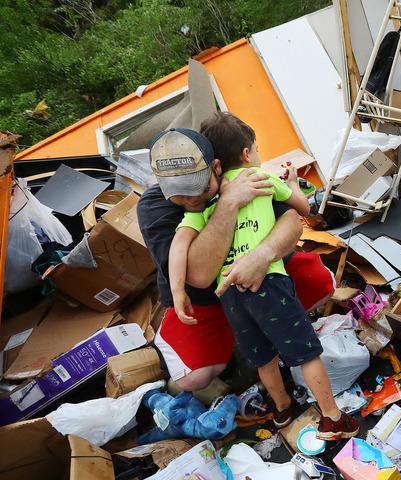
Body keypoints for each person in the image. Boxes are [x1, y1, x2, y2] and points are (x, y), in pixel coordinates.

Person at [159, 113, 358, 440]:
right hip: (268, 283)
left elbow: (179, 244)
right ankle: (333, 419)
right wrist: (293, 184)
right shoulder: (260, 177)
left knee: (264, 357)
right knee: (305, 351)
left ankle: (281, 411)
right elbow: (303, 209)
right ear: (247, 153)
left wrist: (178, 290)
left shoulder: (205, 203)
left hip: (231, 293)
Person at [137, 127, 332, 399]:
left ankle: (258, 335)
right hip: (204, 301)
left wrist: (262, 255)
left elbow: (291, 223)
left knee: (320, 280)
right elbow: (201, 276)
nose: (191, 199)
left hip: (258, 279)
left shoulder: (242, 177)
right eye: (180, 194)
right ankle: (233, 341)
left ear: (216, 167)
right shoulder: (153, 206)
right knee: (195, 378)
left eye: (198, 188)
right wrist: (227, 204)